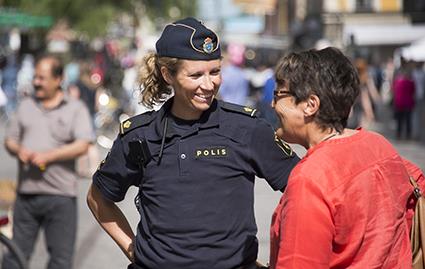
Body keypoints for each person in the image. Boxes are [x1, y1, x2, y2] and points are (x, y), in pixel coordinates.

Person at [87, 17, 300, 269]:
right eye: (196, 75)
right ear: (168, 75)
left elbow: (304, 189)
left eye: (215, 72)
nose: (208, 85)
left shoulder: (247, 128)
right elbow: (98, 198)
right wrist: (135, 250)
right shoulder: (139, 135)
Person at [269, 47, 418, 268]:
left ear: (311, 105)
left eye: (279, 95)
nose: (273, 105)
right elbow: (417, 189)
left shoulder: (310, 179)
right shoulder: (379, 145)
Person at [2, 54, 94, 269]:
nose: (36, 82)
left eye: (42, 78)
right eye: (35, 77)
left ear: (58, 78)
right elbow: (9, 140)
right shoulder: (26, 105)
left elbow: (83, 144)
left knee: (60, 261)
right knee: (14, 257)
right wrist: (19, 150)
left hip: (61, 196)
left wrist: (49, 156)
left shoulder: (75, 108)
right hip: (26, 195)